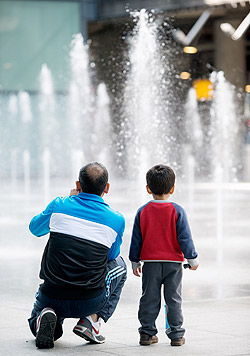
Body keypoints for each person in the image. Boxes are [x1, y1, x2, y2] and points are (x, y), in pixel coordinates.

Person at [28, 162, 127, 349]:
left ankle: (47, 316)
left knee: (37, 319)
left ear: (78, 184)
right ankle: (92, 320)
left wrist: (69, 201)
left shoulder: (59, 205)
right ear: (107, 188)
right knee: (120, 265)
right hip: (89, 301)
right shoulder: (116, 219)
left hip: (51, 294)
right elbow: (112, 255)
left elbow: (35, 229)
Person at [129, 164, 199, 346]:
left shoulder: (142, 211)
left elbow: (136, 239)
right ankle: (176, 334)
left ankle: (146, 333)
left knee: (149, 298)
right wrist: (192, 258)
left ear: (148, 188)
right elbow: (185, 237)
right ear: (173, 188)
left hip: (150, 264)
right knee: (173, 299)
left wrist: (135, 261)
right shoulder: (177, 211)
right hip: (173, 264)